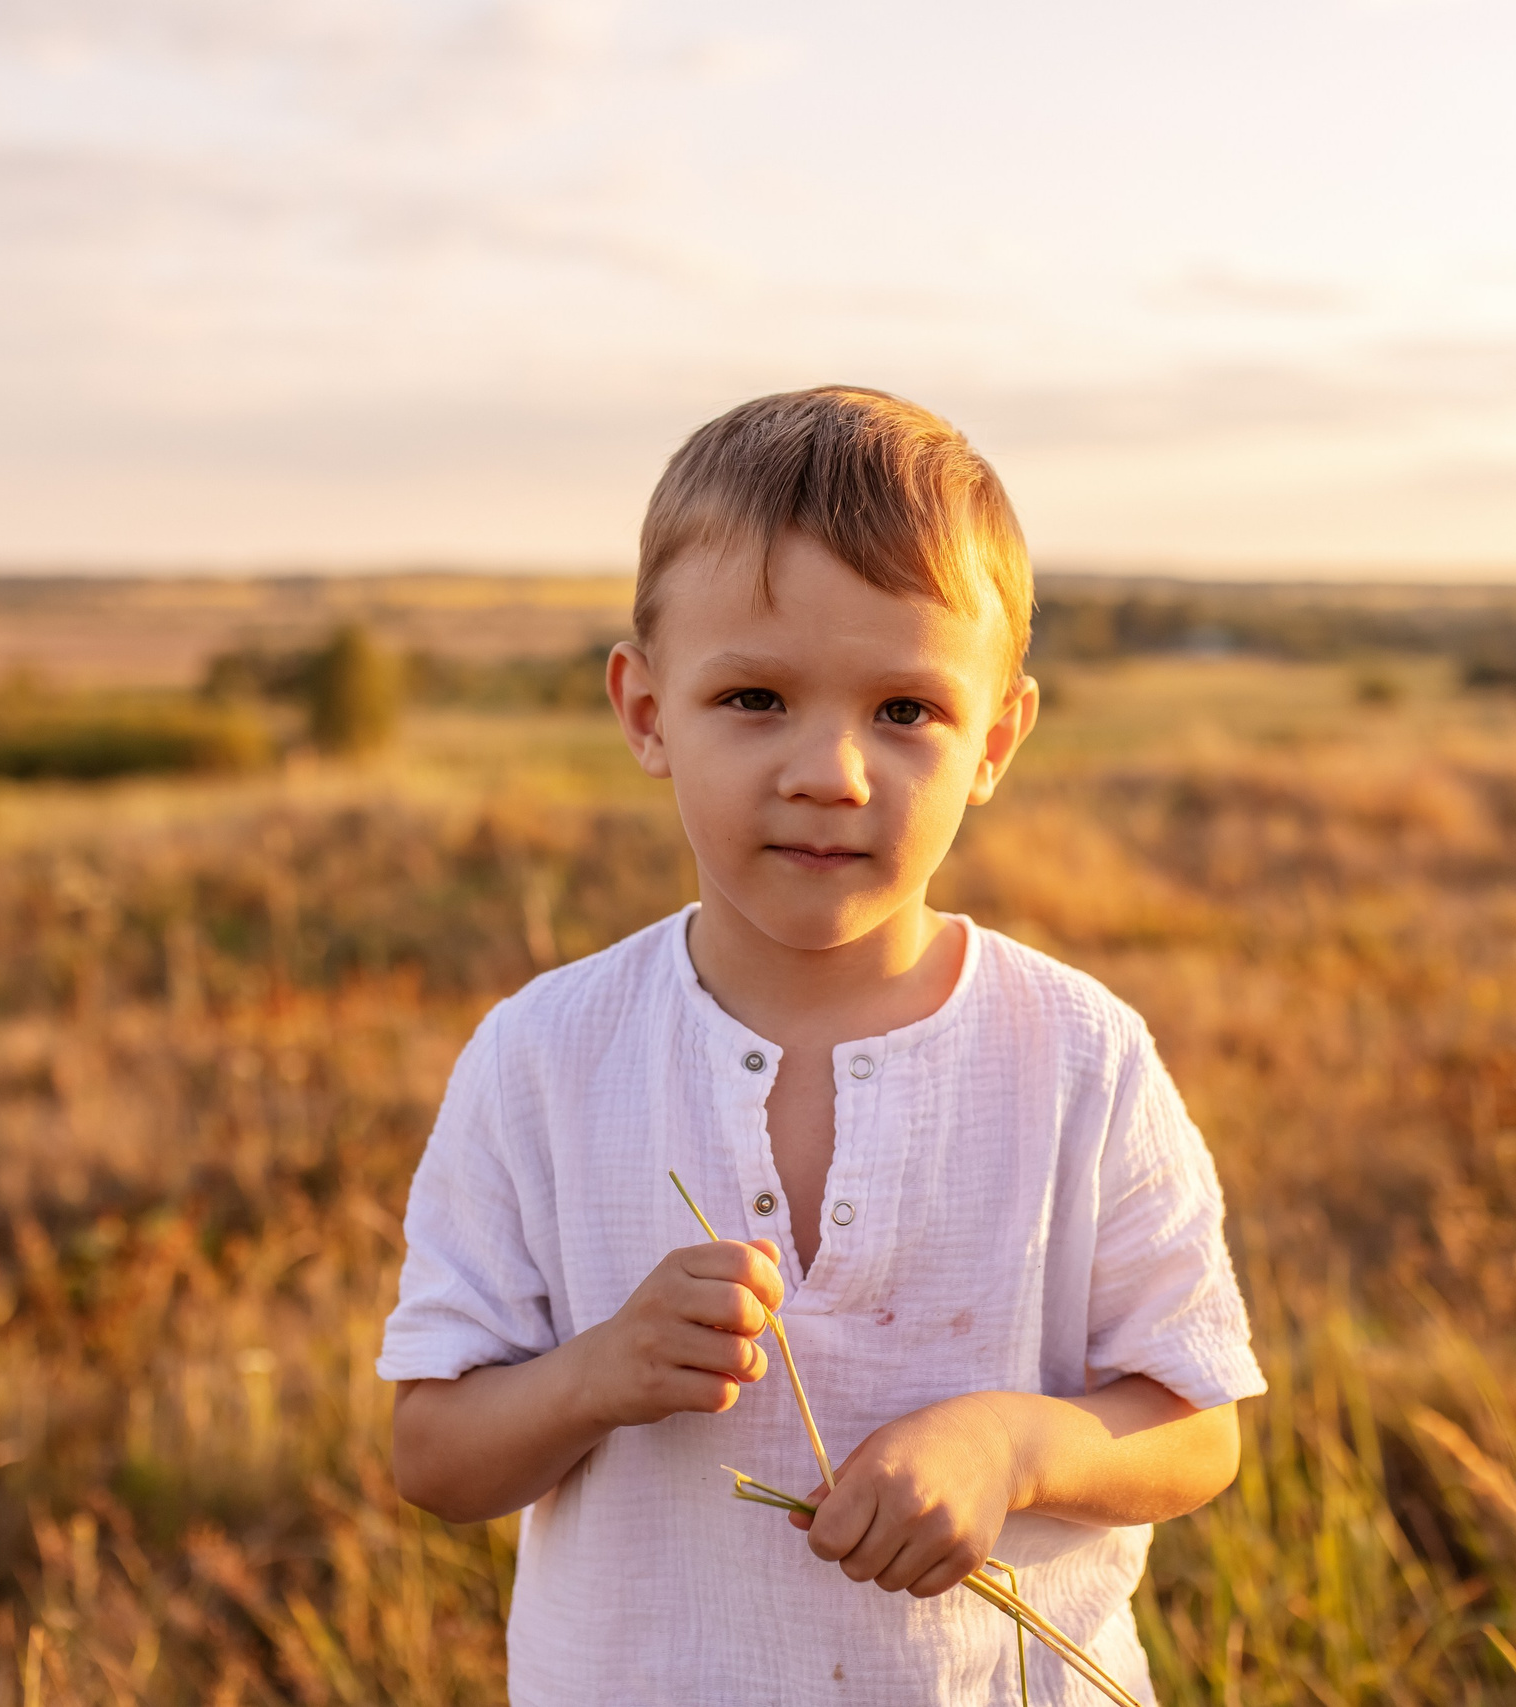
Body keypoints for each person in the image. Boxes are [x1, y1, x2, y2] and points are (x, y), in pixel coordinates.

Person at [379, 386, 1263, 1705]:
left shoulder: (1080, 1054)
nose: (831, 771)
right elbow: (437, 1456)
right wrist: (594, 1374)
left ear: (997, 741)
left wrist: (1012, 1447)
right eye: (755, 697)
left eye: (906, 711)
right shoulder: (547, 1056)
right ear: (646, 712)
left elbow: (1198, 1434)